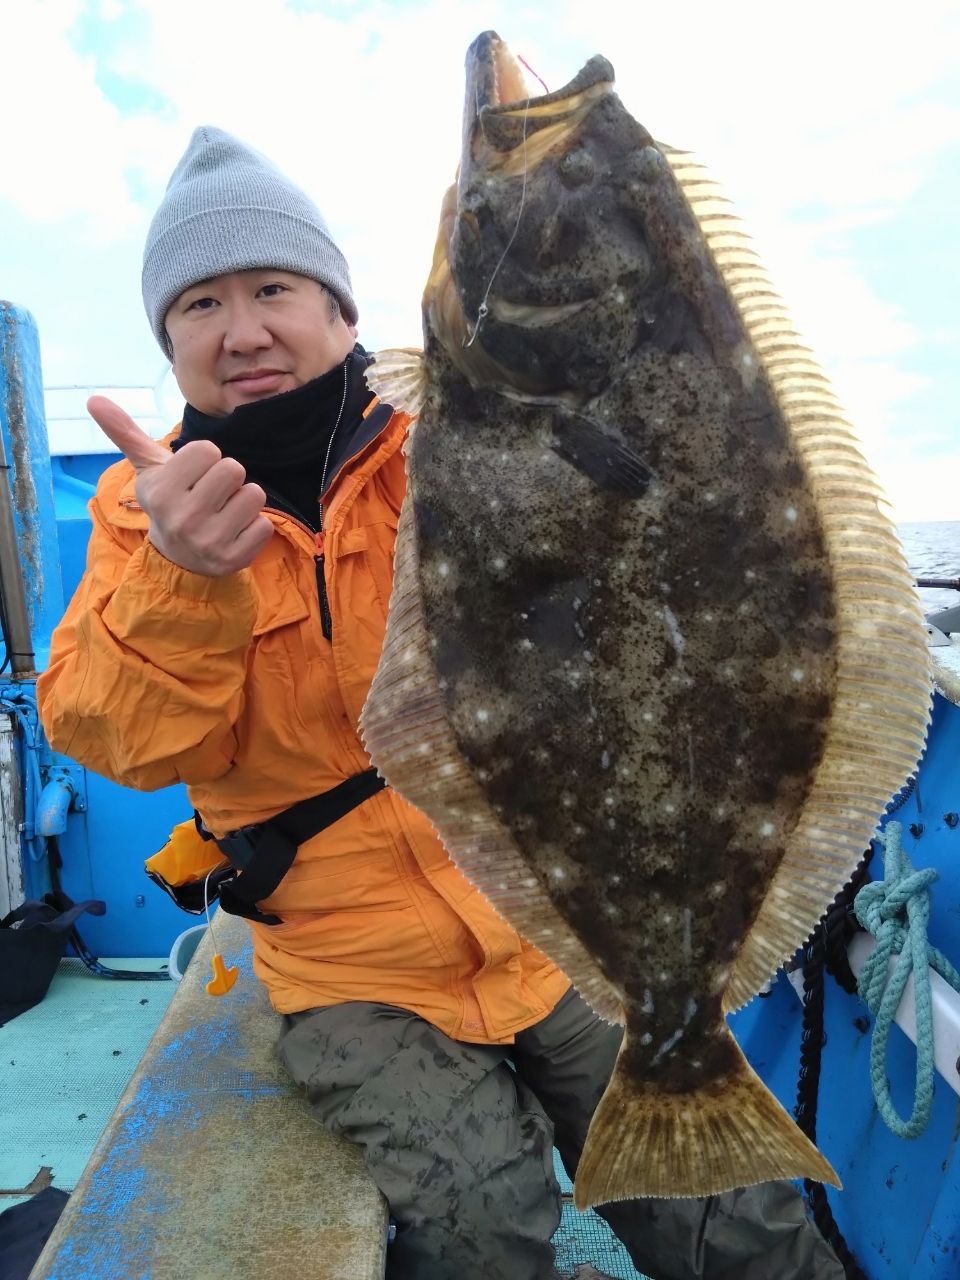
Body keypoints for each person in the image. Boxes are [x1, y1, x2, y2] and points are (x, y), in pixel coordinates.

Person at [36, 126, 844, 1280]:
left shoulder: (465, 428)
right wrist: (182, 575)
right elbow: (116, 741)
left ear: (345, 311)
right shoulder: (137, 513)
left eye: (274, 287)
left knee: (742, 1223)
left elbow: (662, 528)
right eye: (200, 305)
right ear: (169, 343)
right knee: (481, 1227)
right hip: (348, 964)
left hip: (553, 925)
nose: (244, 329)